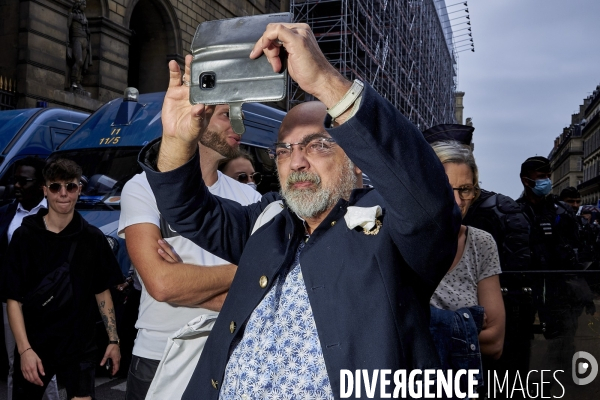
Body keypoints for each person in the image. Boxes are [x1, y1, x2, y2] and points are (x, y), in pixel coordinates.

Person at [139, 22, 461, 398]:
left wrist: (325, 80)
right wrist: (177, 140)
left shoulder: (389, 224)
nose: (297, 163)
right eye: (284, 150)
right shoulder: (269, 220)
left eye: (318, 146)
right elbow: (189, 211)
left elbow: (426, 203)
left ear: (357, 159)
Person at [118, 104, 261, 400]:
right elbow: (162, 284)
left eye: (241, 118)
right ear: (196, 120)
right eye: (226, 115)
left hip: (231, 354)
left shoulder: (250, 198)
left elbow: (269, 293)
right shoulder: (143, 187)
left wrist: (187, 283)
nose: (239, 126)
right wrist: (248, 272)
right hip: (159, 356)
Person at [6, 158, 123, 400]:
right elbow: (13, 299)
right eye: (56, 187)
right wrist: (24, 349)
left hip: (80, 346)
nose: (63, 194)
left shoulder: (93, 238)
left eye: (70, 187)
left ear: (79, 190)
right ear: (45, 190)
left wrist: (113, 340)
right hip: (35, 344)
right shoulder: (24, 237)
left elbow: (102, 292)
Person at [427, 141, 505, 393]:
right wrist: (467, 326)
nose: (458, 200)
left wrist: (427, 326)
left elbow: (494, 342)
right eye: (446, 188)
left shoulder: (481, 243)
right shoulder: (394, 240)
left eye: (466, 190)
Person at [0, 157, 59, 400]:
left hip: (46, 301)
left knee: (46, 362)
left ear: (40, 184)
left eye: (23, 181)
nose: (16, 186)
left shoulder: (55, 212)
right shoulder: (5, 213)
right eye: (15, 180)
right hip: (11, 300)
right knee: (16, 361)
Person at [67, 0, 92, 89]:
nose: (85, 7)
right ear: (79, 5)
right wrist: (67, 42)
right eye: (83, 5)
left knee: (82, 64)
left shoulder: (84, 17)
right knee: (79, 61)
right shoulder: (72, 15)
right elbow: (67, 28)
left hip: (85, 41)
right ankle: (73, 81)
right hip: (76, 39)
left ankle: (78, 82)